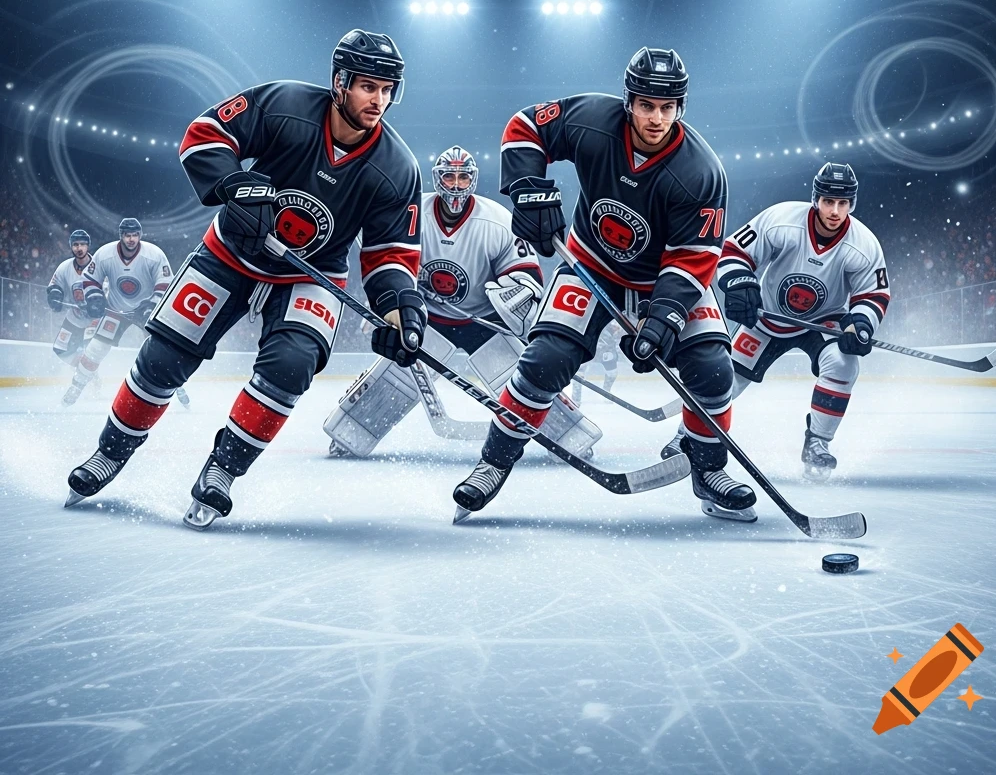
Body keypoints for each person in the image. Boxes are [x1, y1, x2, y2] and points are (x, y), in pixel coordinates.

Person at [65, 30, 425, 528]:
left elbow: (390, 255)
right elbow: (205, 133)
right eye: (368, 86)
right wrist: (233, 182)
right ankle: (111, 452)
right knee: (165, 355)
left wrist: (398, 311)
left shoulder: (398, 168)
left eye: (387, 90)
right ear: (339, 82)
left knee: (292, 365)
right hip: (230, 253)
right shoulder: (285, 104)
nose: (379, 101)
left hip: (313, 276)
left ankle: (222, 472)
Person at [382, 46, 755, 521]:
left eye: (666, 108)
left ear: (680, 107)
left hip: (666, 279)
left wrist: (663, 319)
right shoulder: (593, 120)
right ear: (629, 101)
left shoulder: (701, 172)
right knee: (544, 363)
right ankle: (493, 464)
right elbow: (525, 125)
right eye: (645, 105)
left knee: (713, 371)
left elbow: (693, 258)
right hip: (590, 263)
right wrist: (528, 189)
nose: (655, 118)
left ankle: (708, 470)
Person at [323, 146, 602, 459]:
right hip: (429, 317)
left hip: (483, 321)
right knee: (395, 377)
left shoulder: (497, 220)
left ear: (473, 178)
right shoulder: (413, 212)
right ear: (437, 178)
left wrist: (518, 293)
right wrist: (389, 303)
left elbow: (527, 274)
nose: (456, 184)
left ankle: (570, 440)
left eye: (462, 176)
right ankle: (349, 433)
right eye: (449, 176)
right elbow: (389, 255)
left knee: (525, 381)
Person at [681, 163, 890, 479]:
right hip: (767, 318)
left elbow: (873, 294)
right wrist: (739, 283)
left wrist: (860, 323)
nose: (835, 211)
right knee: (725, 377)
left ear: (852, 204)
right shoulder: (782, 220)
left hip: (824, 322)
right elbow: (735, 252)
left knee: (843, 363)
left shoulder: (863, 244)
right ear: (815, 198)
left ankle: (818, 444)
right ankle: (687, 434)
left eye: (843, 203)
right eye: (828, 201)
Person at [60, 219, 182, 407]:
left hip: (146, 311)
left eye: (134, 235)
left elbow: (165, 283)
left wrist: (152, 304)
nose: (131, 239)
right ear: (121, 235)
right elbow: (90, 279)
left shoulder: (154, 254)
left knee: (161, 351)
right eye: (127, 235)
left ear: (140, 235)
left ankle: (177, 387)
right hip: (116, 310)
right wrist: (95, 298)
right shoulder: (105, 254)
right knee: (95, 349)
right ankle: (76, 387)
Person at [47, 229, 99, 370]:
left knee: (90, 353)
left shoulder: (99, 266)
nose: (79, 248)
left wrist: (97, 304)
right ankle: (84, 371)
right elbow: (54, 285)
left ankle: (87, 374)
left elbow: (108, 289)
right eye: (75, 244)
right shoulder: (65, 267)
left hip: (94, 320)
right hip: (74, 317)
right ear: (71, 246)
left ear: (88, 246)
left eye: (82, 244)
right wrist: (55, 295)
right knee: (60, 349)